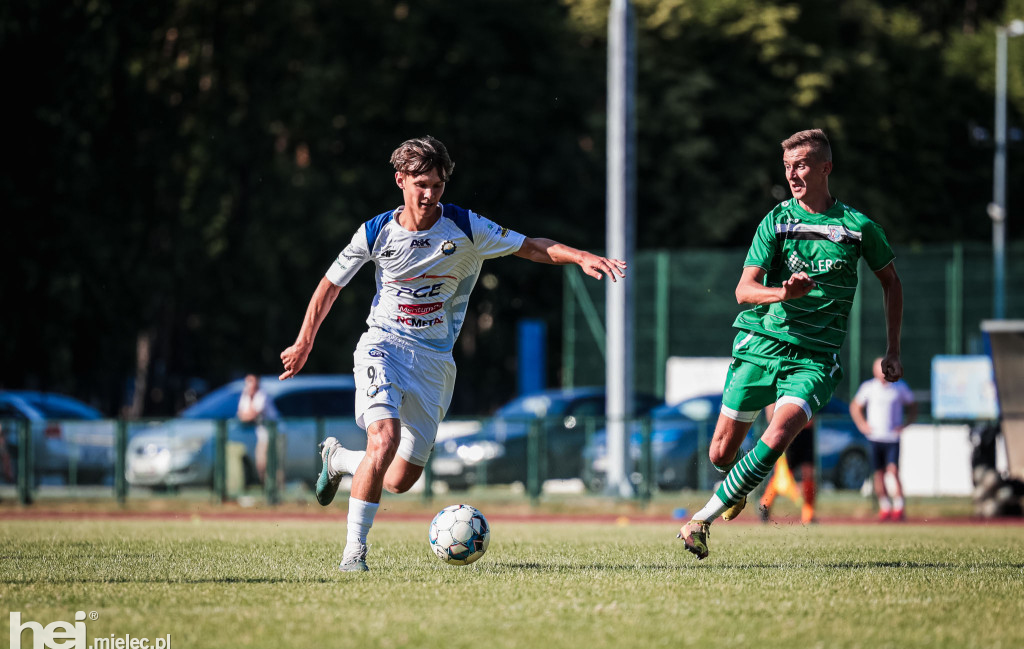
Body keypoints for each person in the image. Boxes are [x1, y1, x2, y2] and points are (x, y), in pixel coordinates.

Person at [279, 135, 626, 572]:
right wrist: (305, 340)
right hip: (382, 345)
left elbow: (530, 246)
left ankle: (338, 460)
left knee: (400, 479)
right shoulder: (375, 232)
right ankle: (354, 554)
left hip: (434, 361)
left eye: (438, 186)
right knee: (382, 439)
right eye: (421, 184)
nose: (429, 194)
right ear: (400, 180)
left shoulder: (465, 228)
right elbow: (331, 285)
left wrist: (578, 257)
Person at [678, 128, 904, 560]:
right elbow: (744, 290)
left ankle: (699, 520)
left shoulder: (858, 227)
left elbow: (891, 282)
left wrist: (893, 349)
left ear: (825, 168)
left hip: (815, 358)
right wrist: (784, 293)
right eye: (787, 167)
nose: (793, 174)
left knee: (781, 431)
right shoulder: (776, 220)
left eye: (801, 165)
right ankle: (735, 488)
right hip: (761, 345)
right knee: (721, 453)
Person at [849, 357, 917, 521]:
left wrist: (906, 424)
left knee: (893, 471)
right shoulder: (869, 387)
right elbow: (855, 407)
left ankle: (899, 507)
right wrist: (862, 425)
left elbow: (913, 405)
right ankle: (885, 507)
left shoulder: (899, 387)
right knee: (878, 474)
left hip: (892, 438)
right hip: (875, 438)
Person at [758, 404, 817, 525]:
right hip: (788, 430)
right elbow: (771, 408)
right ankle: (765, 503)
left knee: (809, 473)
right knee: (783, 476)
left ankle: (808, 514)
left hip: (806, 431)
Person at [236, 374, 279, 485]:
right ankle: (267, 489)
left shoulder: (262, 395)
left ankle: (277, 494)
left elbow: (252, 414)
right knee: (261, 464)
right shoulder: (246, 395)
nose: (249, 385)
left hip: (276, 434)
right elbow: (241, 414)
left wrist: (248, 414)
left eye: (252, 381)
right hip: (263, 435)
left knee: (276, 466)